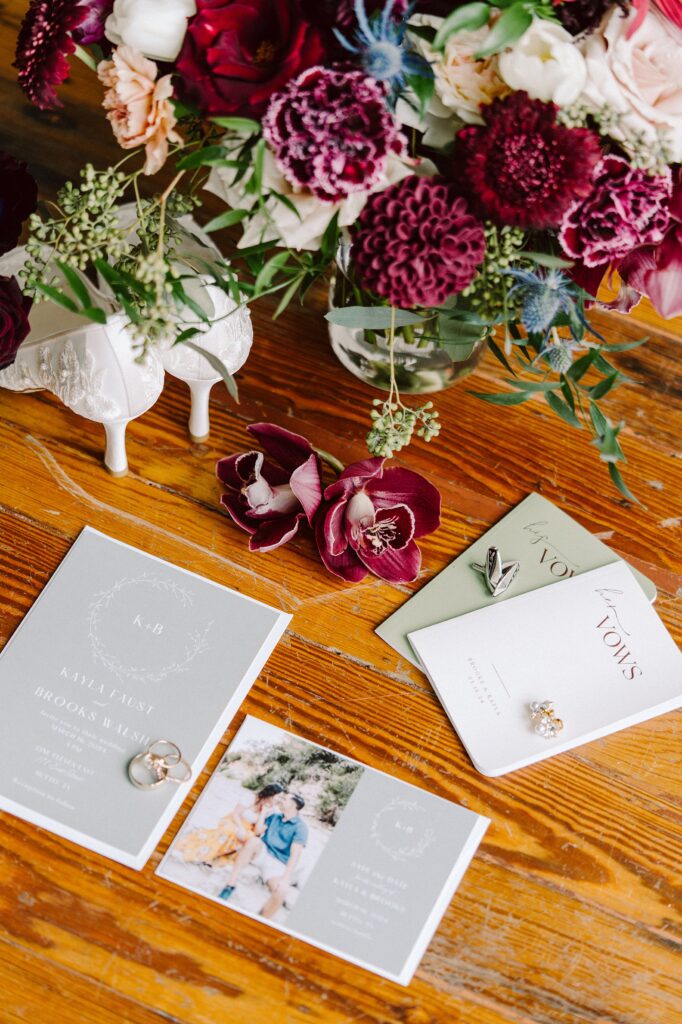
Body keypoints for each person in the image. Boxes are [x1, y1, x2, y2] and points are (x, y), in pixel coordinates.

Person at [219, 792, 308, 919]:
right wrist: (264, 812)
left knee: (281, 891)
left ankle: (260, 919)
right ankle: (230, 885)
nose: (281, 801)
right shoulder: (275, 817)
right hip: (263, 851)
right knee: (253, 841)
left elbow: (295, 855)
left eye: (285, 799)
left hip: (278, 863)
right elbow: (258, 832)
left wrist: (286, 878)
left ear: (293, 805)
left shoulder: (300, 827)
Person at [175, 783, 285, 867]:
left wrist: (263, 812)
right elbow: (235, 814)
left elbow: (257, 832)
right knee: (229, 831)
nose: (279, 800)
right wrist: (240, 828)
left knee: (247, 838)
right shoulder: (251, 798)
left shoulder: (272, 810)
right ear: (271, 794)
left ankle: (216, 855)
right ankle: (207, 854)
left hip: (248, 827)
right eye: (278, 797)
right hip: (234, 820)